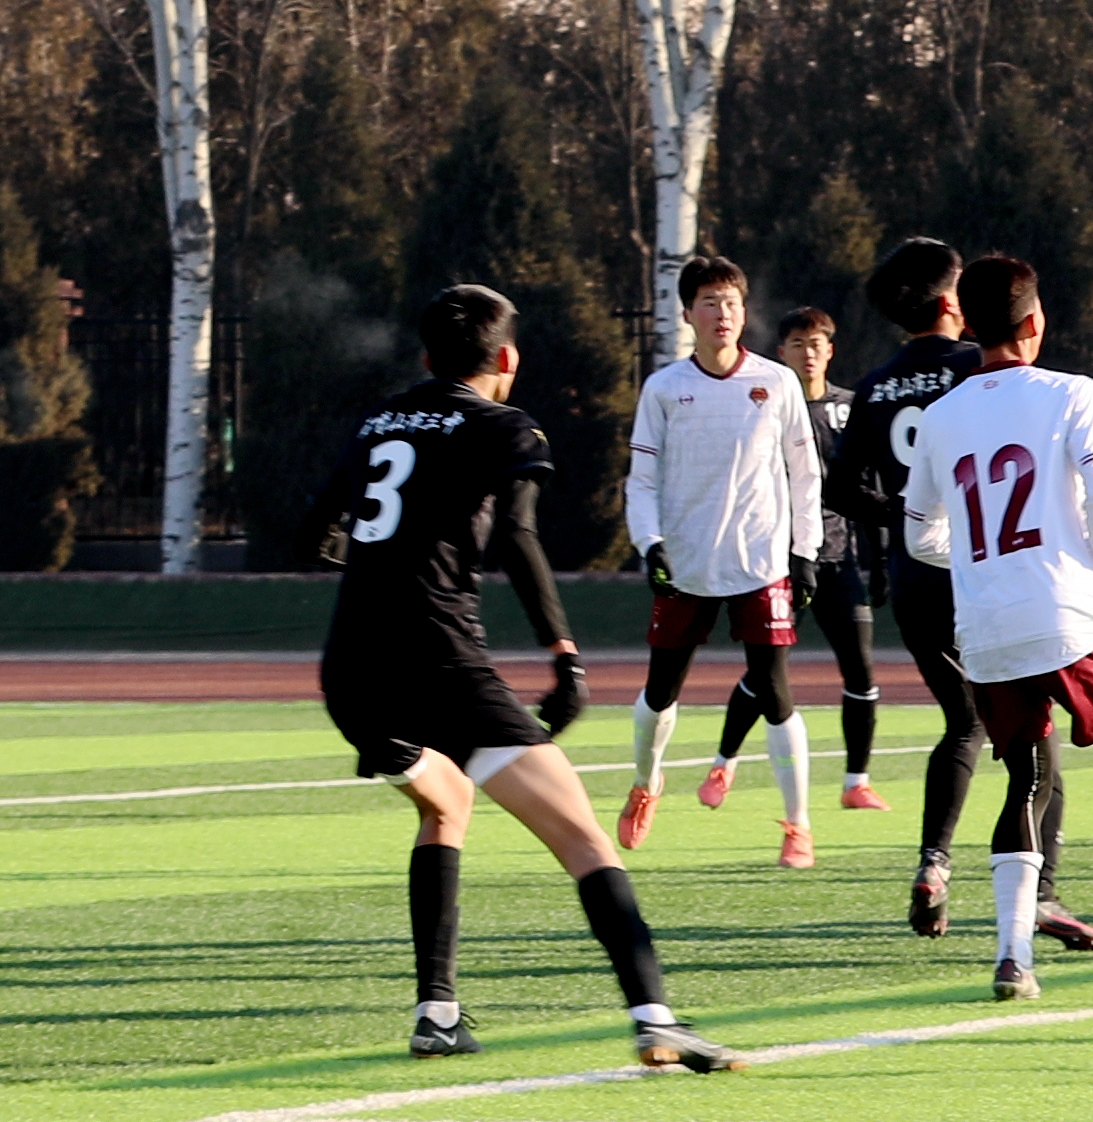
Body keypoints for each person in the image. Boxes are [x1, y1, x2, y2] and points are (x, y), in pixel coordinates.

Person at [319, 283, 741, 1071]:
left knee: (445, 803)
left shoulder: (377, 419)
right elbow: (515, 532)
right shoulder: (501, 423)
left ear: (424, 358)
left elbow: (319, 528)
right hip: (439, 661)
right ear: (506, 358)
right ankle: (655, 1015)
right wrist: (562, 650)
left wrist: (381, 572)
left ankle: (437, 1011)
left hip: (348, 670)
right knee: (584, 836)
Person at [905, 253, 1093, 1003]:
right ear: (1035, 323)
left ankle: (1011, 956)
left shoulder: (940, 416)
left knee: (1027, 781)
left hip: (987, 628)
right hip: (1069, 611)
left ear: (964, 324)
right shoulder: (1072, 391)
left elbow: (915, 535)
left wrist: (973, 555)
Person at [824, 237, 1093, 949]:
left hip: (915, 581)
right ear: (954, 305)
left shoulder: (878, 384)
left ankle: (933, 864)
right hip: (988, 573)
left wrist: (896, 518)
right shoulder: (978, 371)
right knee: (1035, 743)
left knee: (963, 723)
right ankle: (1044, 893)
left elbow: (838, 485)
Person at [618, 253, 827, 868]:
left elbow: (804, 473)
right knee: (661, 690)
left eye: (731, 302)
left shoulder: (777, 381)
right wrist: (649, 543)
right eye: (708, 303)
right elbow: (641, 478)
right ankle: (646, 784)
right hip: (685, 562)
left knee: (775, 690)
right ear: (687, 313)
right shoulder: (663, 388)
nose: (722, 314)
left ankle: (798, 824)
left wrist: (805, 552)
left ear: (744, 311)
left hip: (761, 563)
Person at [710, 307, 886, 814]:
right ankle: (724, 761)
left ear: (830, 350)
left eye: (816, 344)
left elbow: (865, 486)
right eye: (796, 344)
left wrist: (877, 556)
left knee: (861, 672)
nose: (808, 353)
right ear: (781, 352)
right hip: (778, 562)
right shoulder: (768, 404)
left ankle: (857, 781)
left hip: (840, 560)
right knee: (766, 674)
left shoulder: (852, 410)